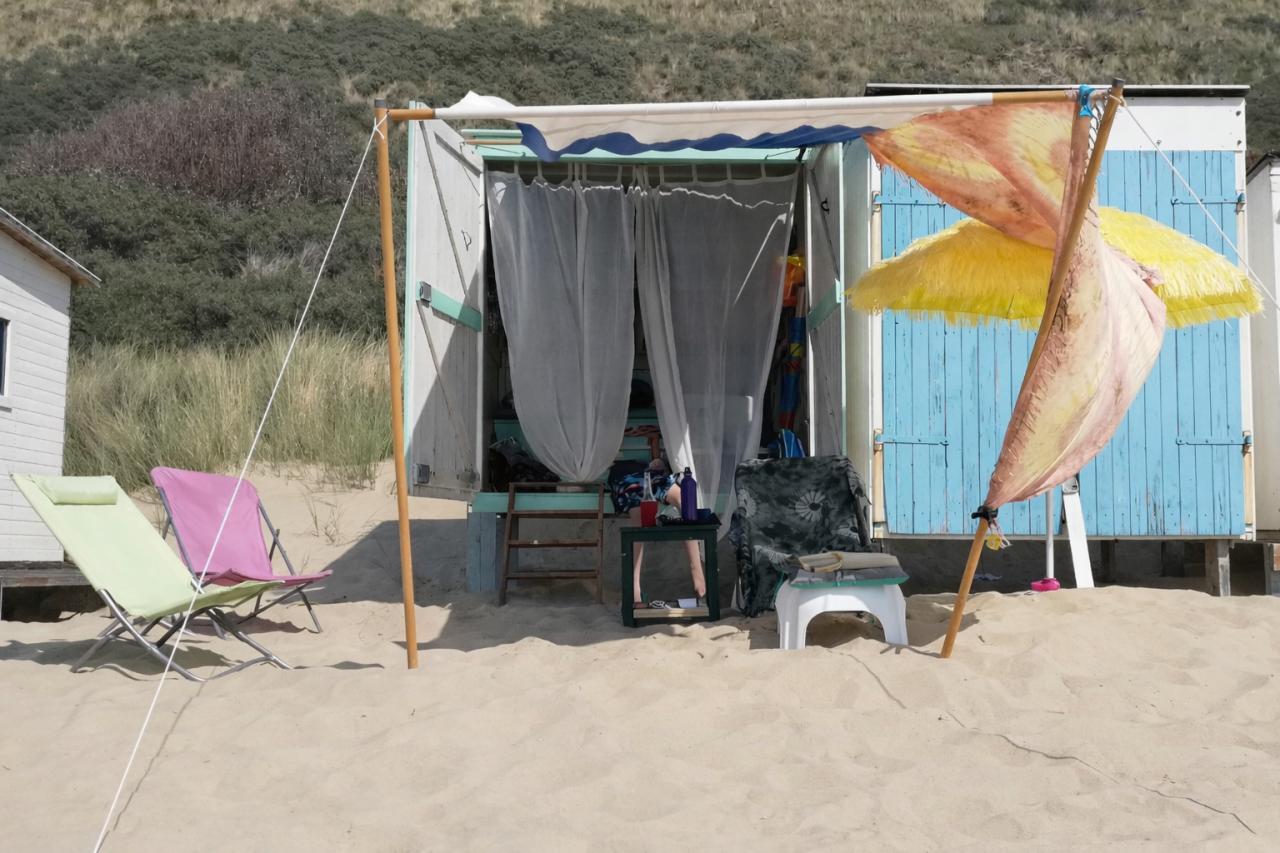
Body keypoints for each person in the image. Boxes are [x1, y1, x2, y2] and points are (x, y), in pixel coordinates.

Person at [617, 458, 706, 605]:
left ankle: (697, 570)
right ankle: (634, 587)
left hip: (654, 474)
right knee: (638, 512)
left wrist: (659, 462)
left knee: (684, 499)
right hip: (626, 474)